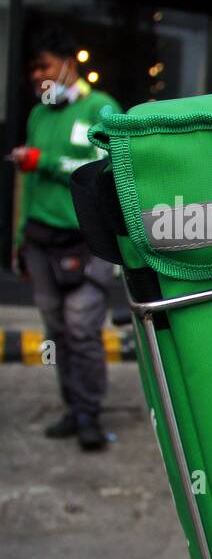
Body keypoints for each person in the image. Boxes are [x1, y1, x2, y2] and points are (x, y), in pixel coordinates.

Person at [9, 28, 121, 451]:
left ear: (68, 64)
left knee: (80, 328)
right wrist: (20, 240)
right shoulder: (39, 116)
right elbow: (30, 189)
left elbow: (108, 167)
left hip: (86, 241)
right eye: (33, 70)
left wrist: (47, 161)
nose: (40, 77)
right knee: (55, 329)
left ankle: (91, 412)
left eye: (45, 66)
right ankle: (72, 409)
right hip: (40, 239)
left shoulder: (101, 108)